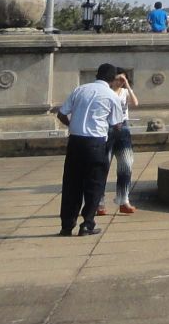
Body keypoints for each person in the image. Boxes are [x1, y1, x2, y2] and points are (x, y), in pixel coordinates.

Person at [53, 64, 129, 237]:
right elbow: (117, 124)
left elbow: (61, 113)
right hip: (95, 143)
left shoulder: (80, 90)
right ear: (112, 80)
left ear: (96, 75)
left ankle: (67, 225)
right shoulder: (111, 96)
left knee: (72, 184)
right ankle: (87, 223)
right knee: (94, 184)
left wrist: (72, 124)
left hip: (75, 141)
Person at [100, 71, 141, 216]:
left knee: (126, 163)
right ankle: (99, 202)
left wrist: (128, 85)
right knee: (103, 165)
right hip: (108, 128)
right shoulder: (107, 92)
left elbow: (135, 103)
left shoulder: (124, 91)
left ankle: (124, 199)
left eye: (122, 80)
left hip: (123, 128)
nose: (120, 82)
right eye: (118, 79)